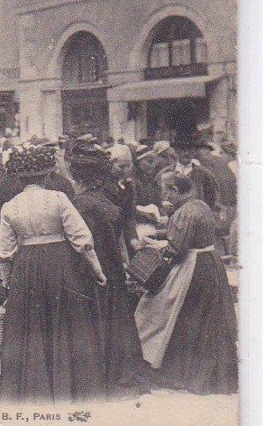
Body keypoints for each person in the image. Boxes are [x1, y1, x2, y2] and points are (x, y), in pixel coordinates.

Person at [0, 144, 108, 403]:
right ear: (47, 176)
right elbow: (83, 240)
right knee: (63, 325)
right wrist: (97, 271)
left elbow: (5, 251)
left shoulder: (10, 206)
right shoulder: (58, 199)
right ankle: (67, 388)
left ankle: (33, 392)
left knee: (32, 328)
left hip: (26, 267)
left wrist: (6, 281)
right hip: (60, 264)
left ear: (21, 179)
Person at [134, 173, 238, 394]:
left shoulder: (183, 212)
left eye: (166, 191)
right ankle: (213, 374)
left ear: (174, 190)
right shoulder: (200, 204)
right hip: (211, 261)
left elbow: (176, 248)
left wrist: (153, 243)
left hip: (193, 266)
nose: (165, 196)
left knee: (173, 311)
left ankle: (178, 371)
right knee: (209, 319)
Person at [67, 141, 149, 396]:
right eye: (120, 166)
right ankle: (116, 367)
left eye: (127, 166)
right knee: (112, 308)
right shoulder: (99, 196)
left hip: (99, 257)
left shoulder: (83, 201)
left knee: (99, 308)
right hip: (108, 255)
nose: (124, 170)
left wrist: (130, 241)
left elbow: (127, 219)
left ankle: (101, 367)